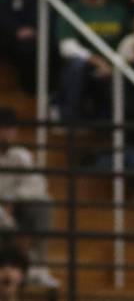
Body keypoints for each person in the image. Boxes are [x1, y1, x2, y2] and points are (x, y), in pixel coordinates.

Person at [0, 109, 57, 289]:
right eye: (4, 128)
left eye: (11, 128)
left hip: (15, 209)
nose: (8, 133)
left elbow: (37, 184)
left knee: (43, 203)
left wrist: (12, 201)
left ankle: (38, 269)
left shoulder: (20, 155)